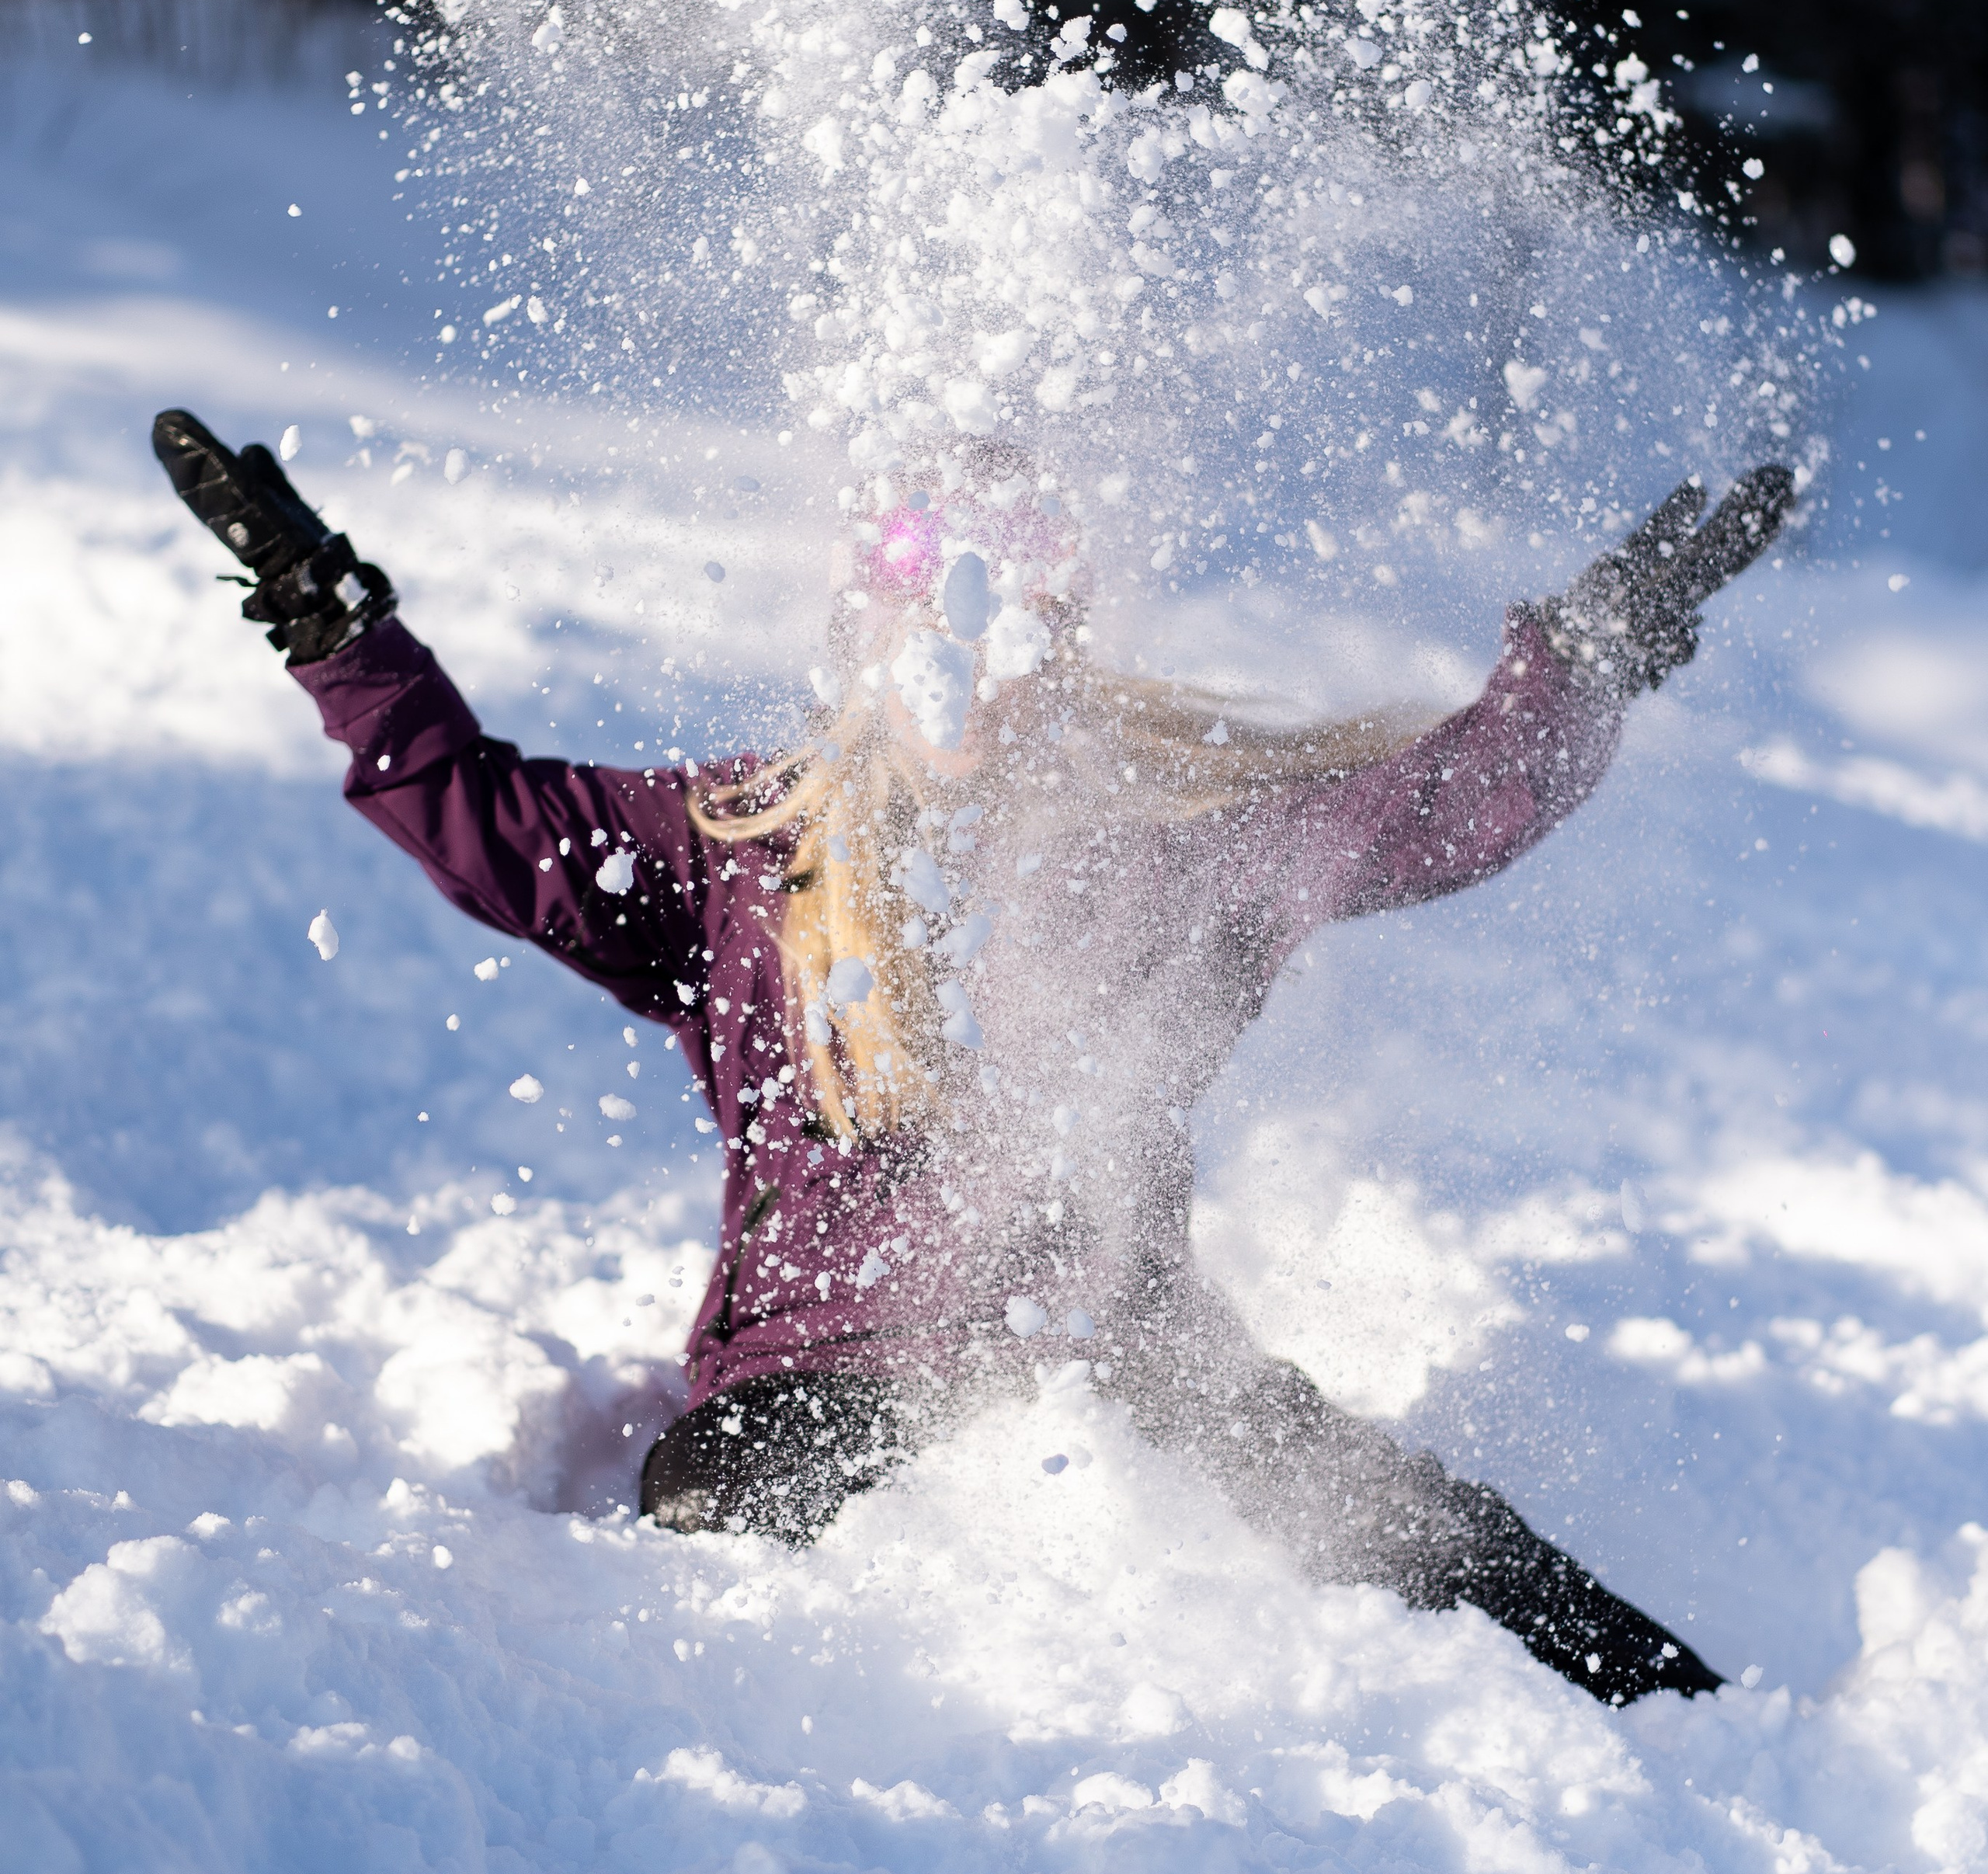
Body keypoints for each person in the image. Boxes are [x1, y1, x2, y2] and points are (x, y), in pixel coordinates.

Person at [153, 405, 1792, 1705]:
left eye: (1013, 617)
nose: (971, 658)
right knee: (722, 1515)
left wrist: (1575, 659)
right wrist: (330, 618)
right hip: (820, 1378)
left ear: (1053, 647)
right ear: (869, 633)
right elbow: (493, 825)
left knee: (1470, 1579)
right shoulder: (744, 848)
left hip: (1128, 1365)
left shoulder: (1165, 852)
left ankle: (1729, 1763)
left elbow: (1441, 807)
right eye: (934, 606)